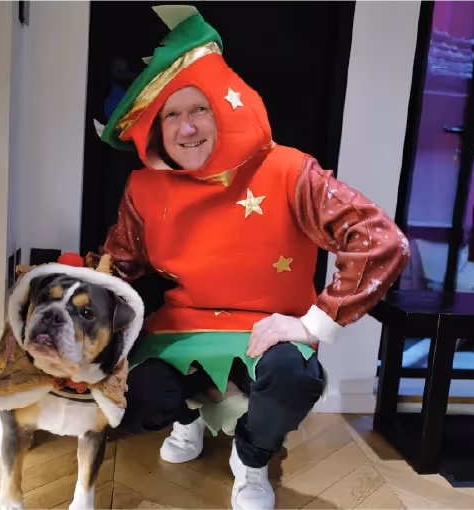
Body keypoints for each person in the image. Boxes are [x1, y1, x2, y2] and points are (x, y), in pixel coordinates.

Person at [92, 6, 410, 510]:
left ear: (226, 106)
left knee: (292, 378)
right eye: (171, 114)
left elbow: (381, 241)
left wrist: (313, 323)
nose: (187, 127)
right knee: (133, 391)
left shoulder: (289, 170)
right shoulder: (144, 188)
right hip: (180, 329)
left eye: (199, 109)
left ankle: (253, 455)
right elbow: (118, 266)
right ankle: (187, 419)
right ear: (155, 128)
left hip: (269, 329)